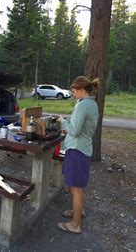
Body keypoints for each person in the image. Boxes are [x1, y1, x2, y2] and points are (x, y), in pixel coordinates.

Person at [56, 76, 99, 234]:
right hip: (82, 148)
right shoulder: (91, 103)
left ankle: (75, 225)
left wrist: (63, 121)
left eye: (74, 91)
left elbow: (74, 130)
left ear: (81, 90)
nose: (73, 94)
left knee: (76, 188)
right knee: (74, 185)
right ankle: (78, 211)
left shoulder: (83, 105)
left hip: (77, 149)